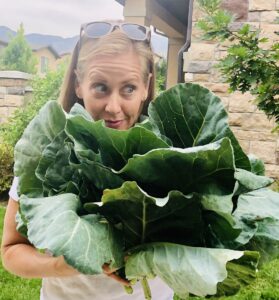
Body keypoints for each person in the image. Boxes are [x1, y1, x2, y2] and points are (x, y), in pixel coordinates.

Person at [1, 21, 174, 300]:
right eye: (101, 87)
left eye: (129, 88)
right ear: (80, 84)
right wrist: (65, 264)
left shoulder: (178, 152)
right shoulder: (47, 152)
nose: (113, 107)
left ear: (146, 86)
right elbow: (11, 251)